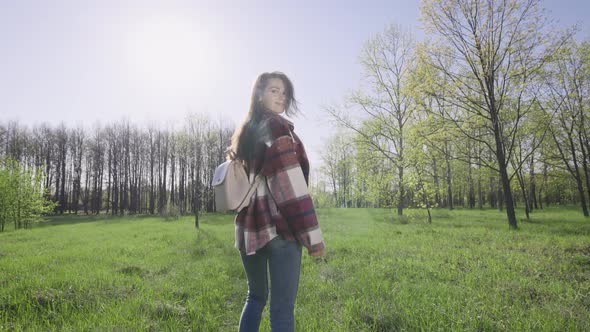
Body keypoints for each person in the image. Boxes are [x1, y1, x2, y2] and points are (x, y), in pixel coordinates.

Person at [228, 71, 325, 332]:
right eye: (274, 90)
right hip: (279, 232)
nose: (281, 97)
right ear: (259, 95)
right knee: (282, 310)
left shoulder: (246, 131)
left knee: (255, 297)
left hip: (248, 229)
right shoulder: (277, 128)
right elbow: (290, 189)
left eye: (284, 92)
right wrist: (313, 238)